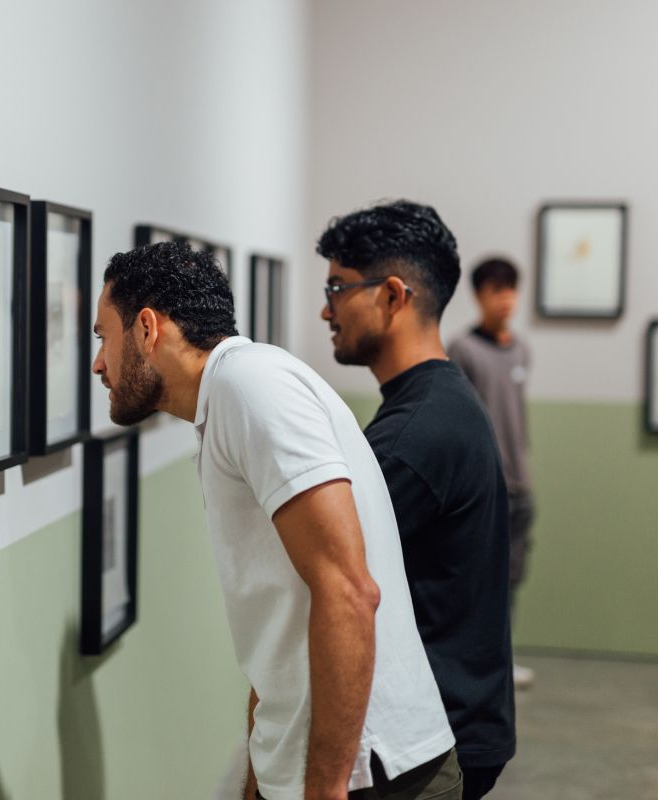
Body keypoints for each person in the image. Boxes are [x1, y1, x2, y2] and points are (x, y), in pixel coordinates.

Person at [92, 241, 461, 800]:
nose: (99, 362)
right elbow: (279, 620)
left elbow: (348, 590)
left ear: (146, 328)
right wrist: (260, 774)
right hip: (328, 768)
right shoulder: (231, 397)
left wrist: (324, 787)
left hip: (370, 773)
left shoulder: (251, 389)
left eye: (103, 336)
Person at [316, 201, 515, 800]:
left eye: (338, 287)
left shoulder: (413, 435)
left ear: (393, 295)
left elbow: (331, 585)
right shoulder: (437, 402)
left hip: (432, 741)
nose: (326, 309)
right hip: (461, 717)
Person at [446, 257, 536, 691]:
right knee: (480, 576)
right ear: (479, 296)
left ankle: (504, 657)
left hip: (522, 483)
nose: (506, 300)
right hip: (486, 485)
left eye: (511, 290)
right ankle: (478, 662)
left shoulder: (521, 350)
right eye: (497, 290)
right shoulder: (463, 350)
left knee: (512, 575)